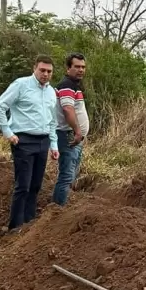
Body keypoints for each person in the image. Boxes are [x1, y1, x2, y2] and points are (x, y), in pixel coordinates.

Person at [0, 55, 59, 231]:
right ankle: (16, 226)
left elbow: (52, 121)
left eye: (49, 71)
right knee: (23, 185)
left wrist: (54, 145)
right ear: (34, 68)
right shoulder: (21, 85)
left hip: (43, 141)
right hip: (24, 140)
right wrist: (8, 132)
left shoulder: (52, 92)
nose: (45, 74)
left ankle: (30, 226)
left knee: (36, 185)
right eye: (42, 70)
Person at [52, 52, 89, 206]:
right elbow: (68, 109)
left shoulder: (73, 86)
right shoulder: (67, 85)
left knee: (70, 174)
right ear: (68, 68)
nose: (81, 70)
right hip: (68, 135)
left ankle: (62, 207)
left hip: (72, 136)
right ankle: (56, 211)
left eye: (83, 67)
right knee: (67, 175)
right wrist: (78, 131)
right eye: (77, 67)